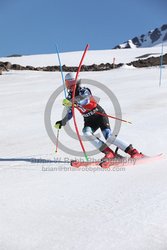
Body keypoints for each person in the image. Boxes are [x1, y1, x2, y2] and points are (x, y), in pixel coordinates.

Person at [55, 72, 144, 160]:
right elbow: (70, 113)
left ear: (77, 82)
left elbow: (86, 100)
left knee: (108, 136)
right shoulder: (69, 98)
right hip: (89, 120)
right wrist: (62, 121)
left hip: (99, 115)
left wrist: (74, 101)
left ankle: (133, 152)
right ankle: (109, 153)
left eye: (71, 83)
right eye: (67, 83)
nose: (69, 85)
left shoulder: (84, 91)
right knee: (86, 133)